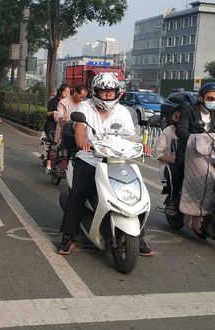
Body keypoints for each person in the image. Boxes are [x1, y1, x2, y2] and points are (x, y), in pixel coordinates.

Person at [56, 73, 154, 257]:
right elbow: (79, 132)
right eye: (104, 91)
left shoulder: (123, 112)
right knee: (78, 194)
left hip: (118, 160)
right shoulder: (85, 107)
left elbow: (132, 136)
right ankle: (68, 236)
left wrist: (142, 144)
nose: (108, 95)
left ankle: (139, 237)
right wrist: (83, 143)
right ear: (96, 92)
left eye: (111, 91)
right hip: (90, 158)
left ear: (117, 93)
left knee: (134, 193)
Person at [173, 82, 215, 236]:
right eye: (210, 98)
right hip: (190, 154)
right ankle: (185, 208)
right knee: (195, 180)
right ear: (201, 98)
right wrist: (194, 141)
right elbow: (181, 130)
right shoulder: (188, 110)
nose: (214, 101)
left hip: (212, 156)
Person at [43, 84, 70, 173]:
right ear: (60, 92)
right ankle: (48, 164)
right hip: (52, 125)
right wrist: (54, 113)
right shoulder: (54, 101)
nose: (67, 94)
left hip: (63, 126)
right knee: (54, 143)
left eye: (69, 92)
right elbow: (47, 114)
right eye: (65, 92)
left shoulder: (68, 103)